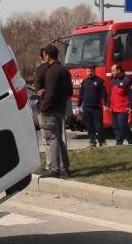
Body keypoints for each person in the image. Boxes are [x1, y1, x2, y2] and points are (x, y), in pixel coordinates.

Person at [35, 45, 73, 178]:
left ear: (47, 56)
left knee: (52, 138)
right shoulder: (64, 70)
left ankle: (54, 168)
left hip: (50, 110)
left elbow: (51, 93)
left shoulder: (52, 71)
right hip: (60, 109)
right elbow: (69, 91)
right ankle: (64, 168)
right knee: (59, 138)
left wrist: (44, 107)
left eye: (44, 55)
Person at [77, 65, 107, 148]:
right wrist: (78, 106)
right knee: (89, 126)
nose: (89, 73)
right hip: (86, 108)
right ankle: (92, 141)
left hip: (97, 107)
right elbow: (81, 95)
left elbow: (104, 95)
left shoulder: (100, 81)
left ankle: (102, 141)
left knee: (98, 126)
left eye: (91, 71)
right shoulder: (84, 82)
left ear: (94, 71)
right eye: (88, 71)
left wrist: (106, 105)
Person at [109, 64, 132, 145]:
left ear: (118, 70)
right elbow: (110, 94)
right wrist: (108, 105)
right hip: (114, 108)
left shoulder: (127, 80)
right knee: (115, 127)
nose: (111, 72)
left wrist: (131, 106)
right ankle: (119, 142)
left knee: (123, 126)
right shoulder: (113, 81)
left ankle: (131, 141)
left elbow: (131, 94)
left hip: (123, 108)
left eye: (113, 71)